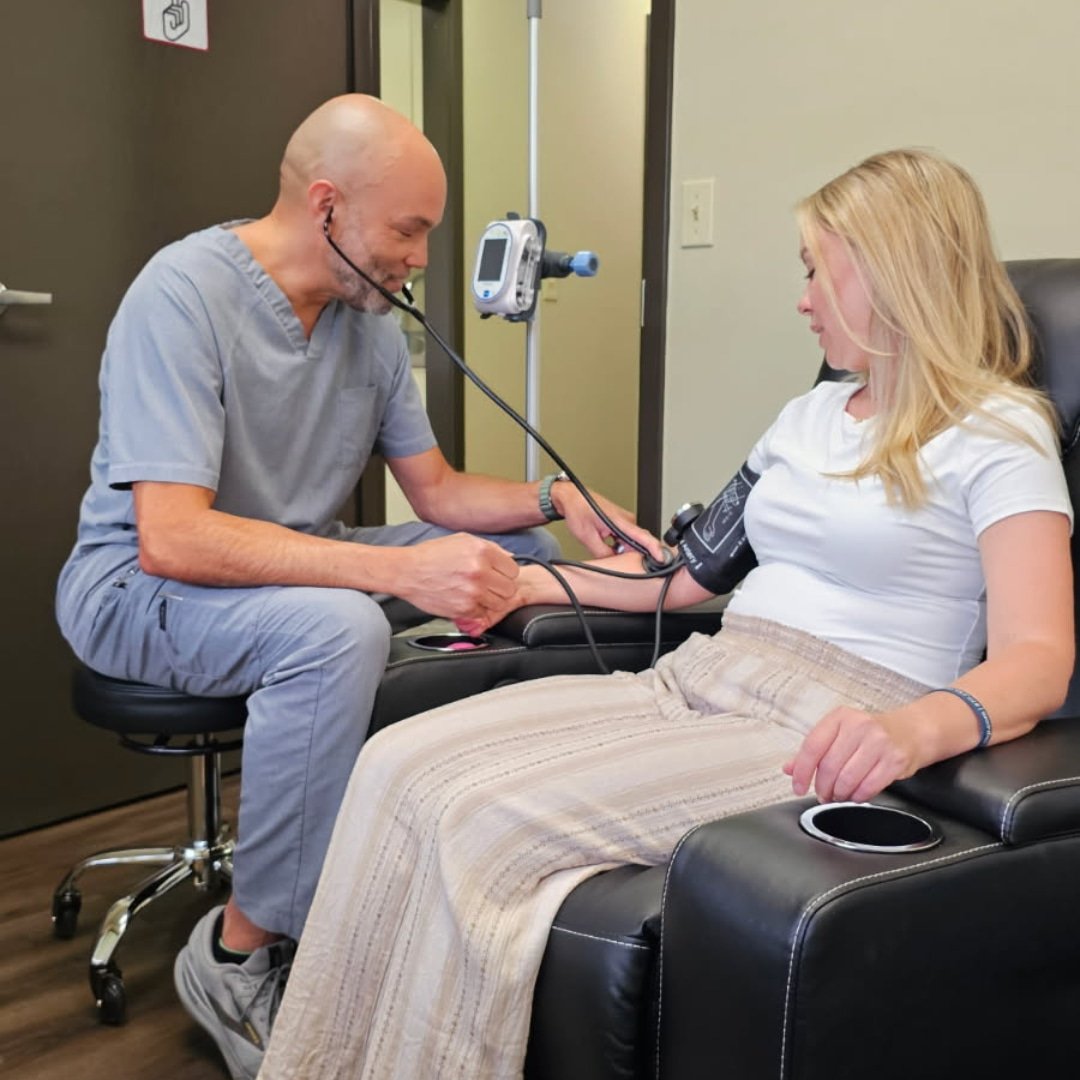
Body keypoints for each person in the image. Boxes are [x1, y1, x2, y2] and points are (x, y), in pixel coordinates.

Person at [257, 147, 1075, 1080]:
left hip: (826, 718)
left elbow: (1039, 658)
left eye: (815, 268)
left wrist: (911, 730)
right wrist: (534, 581)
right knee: (393, 762)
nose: (802, 298)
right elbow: (687, 576)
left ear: (889, 267)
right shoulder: (805, 420)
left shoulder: (1000, 434)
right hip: (702, 675)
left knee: (482, 822)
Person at [54, 93, 659, 1077]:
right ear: (327, 205)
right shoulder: (183, 296)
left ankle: (441, 858)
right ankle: (236, 952)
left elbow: (441, 492)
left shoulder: (370, 331)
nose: (421, 259)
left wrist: (555, 496)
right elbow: (170, 536)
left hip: (294, 561)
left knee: (500, 549)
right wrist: (394, 571)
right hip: (137, 588)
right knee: (339, 629)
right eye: (409, 231)